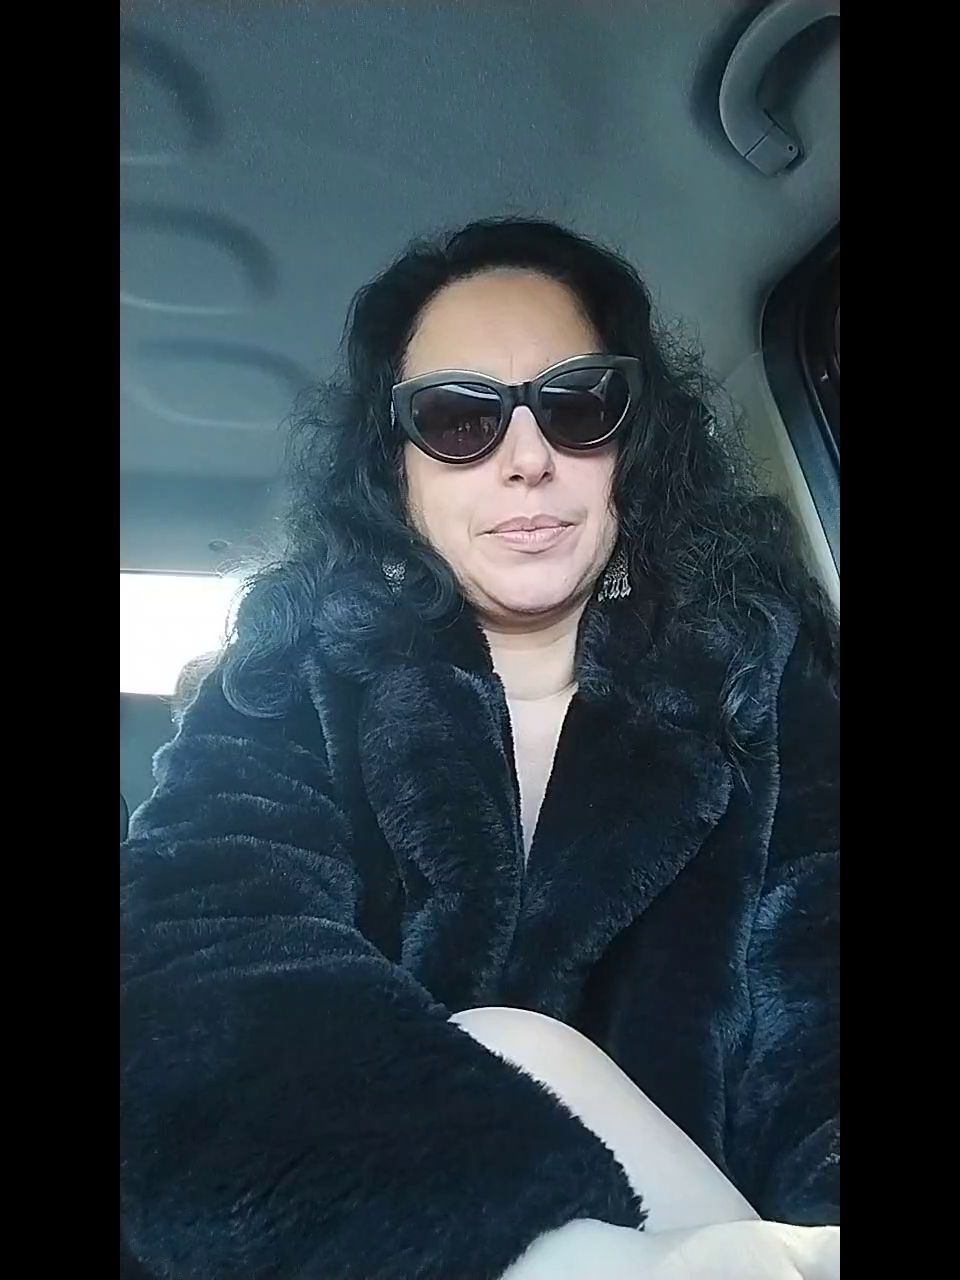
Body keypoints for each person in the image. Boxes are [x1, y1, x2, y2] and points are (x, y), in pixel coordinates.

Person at [120, 218, 839, 1279]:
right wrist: (553, 1248)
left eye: (578, 404)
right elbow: (197, 974)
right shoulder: (291, 676)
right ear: (397, 468)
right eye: (460, 419)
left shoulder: (758, 679)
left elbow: (821, 1009)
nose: (528, 459)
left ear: (633, 440)